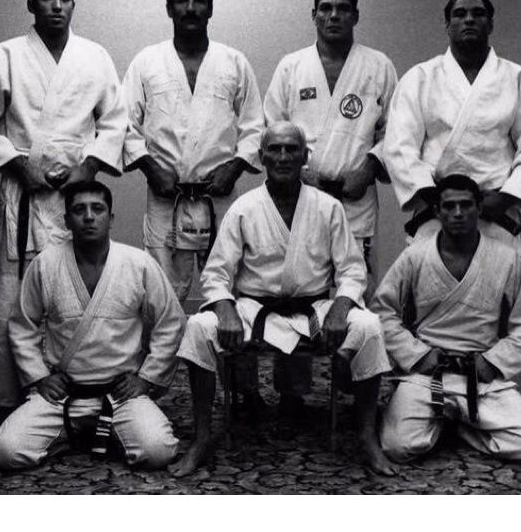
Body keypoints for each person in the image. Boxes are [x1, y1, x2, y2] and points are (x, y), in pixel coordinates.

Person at [169, 122, 395, 478]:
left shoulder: (327, 207)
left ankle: (367, 438)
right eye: (274, 149)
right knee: (198, 327)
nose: (283, 156)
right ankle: (201, 438)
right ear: (261, 157)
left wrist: (340, 308)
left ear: (306, 156)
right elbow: (216, 274)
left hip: (314, 308)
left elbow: (352, 271)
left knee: (369, 326)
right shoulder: (244, 208)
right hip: (254, 308)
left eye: (292, 149)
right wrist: (226, 311)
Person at [0, 0, 127, 432]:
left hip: (75, 198)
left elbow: (115, 120)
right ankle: (11, 400)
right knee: (13, 302)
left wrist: (88, 167)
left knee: (76, 292)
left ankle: (80, 391)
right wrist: (19, 164)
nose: (57, 5)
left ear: (74, 2)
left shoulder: (94, 56)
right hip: (24, 194)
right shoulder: (7, 55)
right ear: (31, 3)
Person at [122, 0, 266, 414]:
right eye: (181, 0)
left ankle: (244, 389)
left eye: (199, 0)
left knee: (237, 291)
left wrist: (237, 165)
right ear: (169, 8)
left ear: (210, 6)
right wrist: (149, 168)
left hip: (220, 195)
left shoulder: (234, 62)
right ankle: (150, 388)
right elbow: (123, 125)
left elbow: (255, 125)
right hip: (166, 197)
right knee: (159, 296)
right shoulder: (147, 62)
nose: (190, 7)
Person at [0, 181, 185, 470]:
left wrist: (146, 379)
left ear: (111, 218)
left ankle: (93, 432)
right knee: (6, 453)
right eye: (79, 210)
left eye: (98, 209)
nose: (89, 216)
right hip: (63, 393)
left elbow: (171, 321)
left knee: (158, 451)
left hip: (120, 394)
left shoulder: (137, 263)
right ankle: (88, 433)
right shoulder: (46, 263)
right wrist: (39, 377)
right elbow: (22, 324)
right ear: (67, 219)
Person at [371, 175, 521, 464]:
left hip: (480, 374)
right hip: (429, 373)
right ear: (437, 212)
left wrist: (493, 362)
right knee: (397, 447)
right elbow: (383, 311)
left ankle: (458, 425)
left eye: (466, 205)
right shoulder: (414, 256)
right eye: (449, 206)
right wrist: (417, 355)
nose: (457, 213)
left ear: (479, 209)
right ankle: (455, 419)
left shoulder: (507, 258)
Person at [383, 0, 521, 248]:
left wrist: (504, 199)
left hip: (496, 210)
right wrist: (438, 200)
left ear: (491, 24)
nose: (469, 19)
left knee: (501, 285)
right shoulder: (420, 78)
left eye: (479, 13)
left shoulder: (519, 80)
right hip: (437, 210)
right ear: (447, 25)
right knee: (431, 285)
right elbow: (398, 146)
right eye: (460, 14)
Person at [264, 0, 398, 300]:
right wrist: (296, 171)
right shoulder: (291, 66)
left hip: (355, 197)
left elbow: (395, 130)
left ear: (355, 15)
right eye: (326, 8)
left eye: (342, 8)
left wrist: (370, 167)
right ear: (314, 15)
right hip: (301, 193)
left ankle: (352, 347)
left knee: (356, 286)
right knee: (302, 280)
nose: (333, 15)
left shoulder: (378, 66)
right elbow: (272, 126)